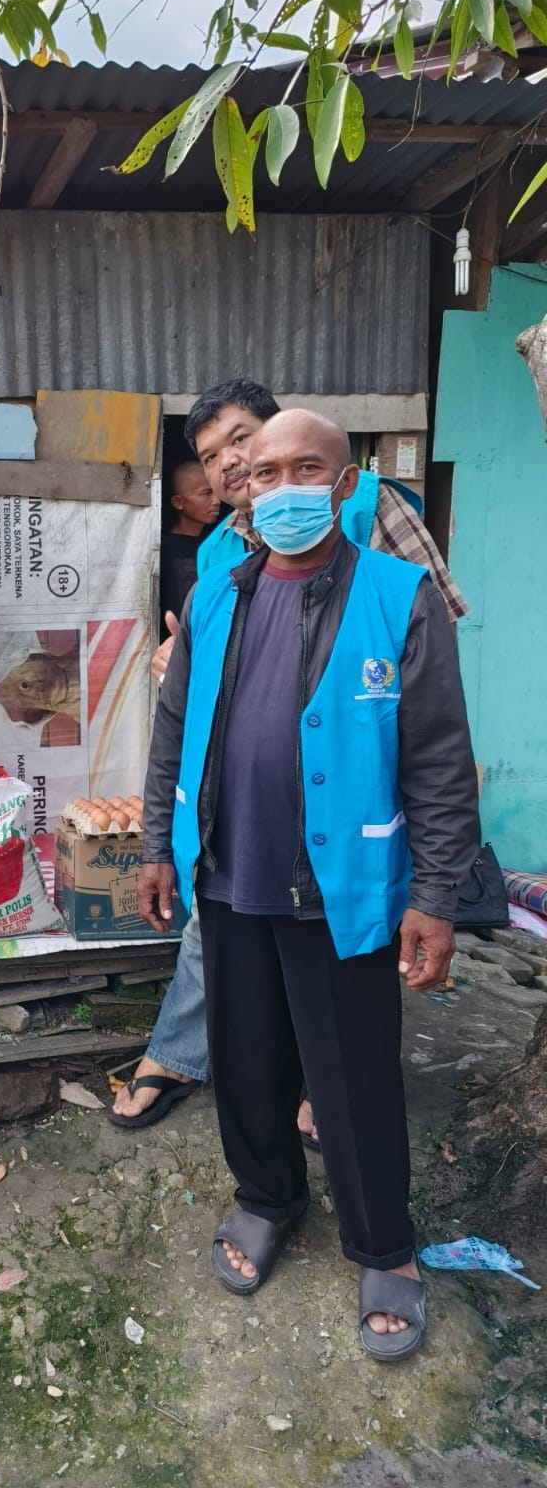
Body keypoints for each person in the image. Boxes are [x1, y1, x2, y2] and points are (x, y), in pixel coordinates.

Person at [137, 409, 479, 1360]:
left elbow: (440, 759)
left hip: (343, 885)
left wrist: (436, 896)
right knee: (245, 1061)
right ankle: (266, 1198)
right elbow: (174, 729)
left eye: (306, 469)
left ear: (346, 481)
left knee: (352, 1073)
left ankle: (383, 1246)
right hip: (228, 873)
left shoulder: (398, 595)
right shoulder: (216, 594)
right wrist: (159, 846)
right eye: (264, 472)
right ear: (243, 489)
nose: (282, 488)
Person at [112, 377, 467, 1139]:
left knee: (344, 977)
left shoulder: (371, 510)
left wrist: (437, 884)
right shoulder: (221, 555)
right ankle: (213, 1077)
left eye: (242, 439)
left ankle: (319, 1089)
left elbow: (431, 666)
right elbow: (184, 713)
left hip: (349, 818)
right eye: (214, 456)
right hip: (239, 828)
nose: (232, 463)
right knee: (232, 959)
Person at [159, 458, 221, 631]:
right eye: (206, 493)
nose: (216, 500)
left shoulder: (216, 543)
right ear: (178, 502)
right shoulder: (165, 550)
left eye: (216, 491)